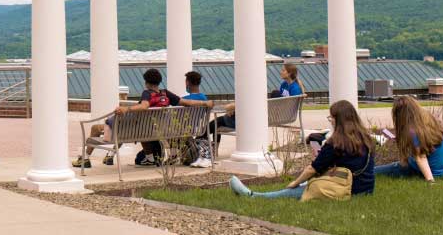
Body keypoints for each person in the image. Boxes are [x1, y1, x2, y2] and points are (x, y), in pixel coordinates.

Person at [230, 99, 375, 199]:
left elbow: (312, 169)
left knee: (302, 188)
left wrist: (295, 182)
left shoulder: (336, 143)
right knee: (310, 183)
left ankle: (254, 196)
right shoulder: (366, 138)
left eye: (331, 117)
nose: (330, 120)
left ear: (339, 120)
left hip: (347, 189)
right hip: (366, 189)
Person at [74, 68, 213, 167]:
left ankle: (85, 159)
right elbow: (187, 102)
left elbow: (145, 105)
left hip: (132, 130)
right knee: (123, 126)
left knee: (96, 128)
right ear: (159, 81)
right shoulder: (166, 94)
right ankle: (143, 158)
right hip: (152, 131)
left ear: (146, 82)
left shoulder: (147, 93)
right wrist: (205, 103)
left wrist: (126, 108)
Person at [212, 62, 303, 146]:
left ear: (289, 73)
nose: (281, 72)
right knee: (220, 120)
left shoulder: (295, 88)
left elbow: (289, 104)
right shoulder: (284, 84)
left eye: (283, 70)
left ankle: (205, 139)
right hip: (273, 113)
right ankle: (207, 140)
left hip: (279, 115)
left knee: (220, 121)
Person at [375, 95, 443, 182]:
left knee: (386, 169)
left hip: (427, 171)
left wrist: (430, 181)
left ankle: (363, 172)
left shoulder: (413, 131)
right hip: (442, 170)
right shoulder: (432, 121)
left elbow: (420, 157)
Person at [183, 70, 214, 168]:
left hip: (182, 130)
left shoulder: (183, 99)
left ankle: (174, 155)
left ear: (187, 82)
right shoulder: (204, 98)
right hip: (196, 127)